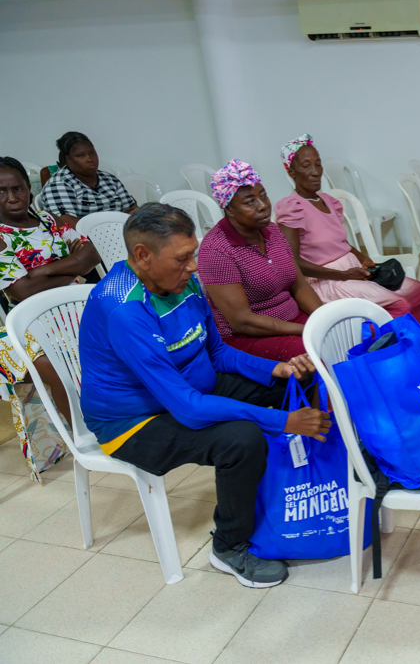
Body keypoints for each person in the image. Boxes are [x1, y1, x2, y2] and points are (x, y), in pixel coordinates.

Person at [79, 202, 331, 588]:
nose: (194, 266)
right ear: (143, 256)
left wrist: (274, 369)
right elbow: (188, 409)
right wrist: (284, 421)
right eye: (182, 258)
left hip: (188, 387)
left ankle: (282, 500)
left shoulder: (181, 281)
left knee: (294, 384)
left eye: (193, 254)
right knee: (241, 440)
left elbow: (217, 353)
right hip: (134, 421)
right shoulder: (124, 311)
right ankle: (229, 547)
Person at [0, 156, 102, 481]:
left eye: (18, 188)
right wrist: (72, 266)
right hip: (26, 325)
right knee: (56, 360)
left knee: (128, 329)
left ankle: (130, 412)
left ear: (29, 190)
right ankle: (87, 433)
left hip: (74, 311)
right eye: (1, 192)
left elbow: (91, 255)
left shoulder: (47, 220)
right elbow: (23, 293)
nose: (12, 197)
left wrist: (43, 270)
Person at [274, 134, 420, 322]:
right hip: (326, 280)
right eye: (306, 165)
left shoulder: (328, 201)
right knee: (398, 305)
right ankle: (369, 345)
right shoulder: (293, 207)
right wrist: (342, 275)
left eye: (318, 164)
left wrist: (362, 257)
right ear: (291, 172)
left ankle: (399, 341)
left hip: (351, 270)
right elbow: (292, 263)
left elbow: (339, 242)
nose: (316, 171)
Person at [199, 160, 324, 362]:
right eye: (250, 202)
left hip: (293, 321)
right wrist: (306, 329)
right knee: (316, 354)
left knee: (349, 334)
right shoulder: (216, 250)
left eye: (263, 196)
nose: (264, 206)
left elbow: (300, 286)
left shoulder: (272, 231)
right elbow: (242, 321)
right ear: (229, 209)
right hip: (248, 336)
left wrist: (325, 318)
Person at [38, 132, 137, 228]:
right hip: (83, 241)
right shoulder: (58, 184)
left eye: (92, 153)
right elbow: (66, 222)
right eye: (81, 156)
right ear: (68, 159)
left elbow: (132, 209)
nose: (90, 159)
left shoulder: (110, 179)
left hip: (121, 234)